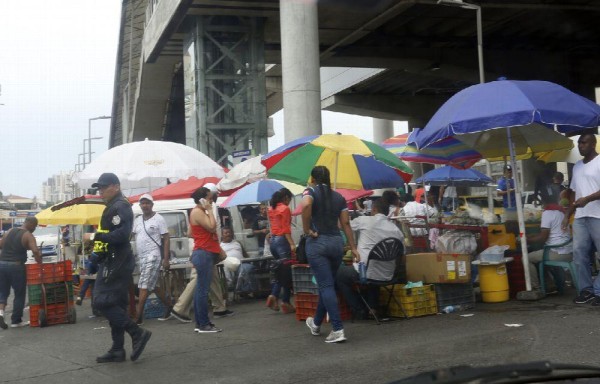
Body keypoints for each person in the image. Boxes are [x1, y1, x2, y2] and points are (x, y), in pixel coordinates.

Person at [89, 172, 151, 363]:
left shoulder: (120, 206)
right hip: (114, 260)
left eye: (103, 187)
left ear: (115, 186)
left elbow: (122, 235)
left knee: (100, 301)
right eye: (99, 188)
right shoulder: (113, 206)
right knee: (115, 303)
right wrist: (97, 255)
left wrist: (94, 237)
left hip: (118, 261)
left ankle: (136, 332)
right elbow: (111, 234)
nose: (100, 191)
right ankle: (117, 349)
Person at [302, 166, 359, 343]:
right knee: (328, 285)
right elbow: (346, 223)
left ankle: (337, 329)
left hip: (318, 242)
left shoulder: (310, 191)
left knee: (326, 286)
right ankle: (316, 323)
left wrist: (307, 230)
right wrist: (354, 247)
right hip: (336, 243)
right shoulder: (339, 197)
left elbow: (306, 205)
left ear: (313, 178)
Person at [336, 199, 403, 320]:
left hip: (365, 273)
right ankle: (373, 308)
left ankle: (359, 308)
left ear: (374, 209)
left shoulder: (365, 221)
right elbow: (402, 253)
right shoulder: (396, 230)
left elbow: (342, 225)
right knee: (373, 270)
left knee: (338, 273)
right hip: (388, 275)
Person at [561, 134, 600, 305]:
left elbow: (586, 196)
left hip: (598, 215)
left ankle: (598, 290)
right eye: (579, 143)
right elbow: (575, 194)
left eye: (583, 142)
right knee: (579, 253)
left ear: (593, 144)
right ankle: (586, 290)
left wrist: (588, 199)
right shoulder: (576, 166)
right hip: (581, 216)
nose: (580, 146)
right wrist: (567, 213)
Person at [131, 193, 171, 324]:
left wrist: (166, 259)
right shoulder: (137, 220)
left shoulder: (159, 219)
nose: (145, 205)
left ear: (152, 205)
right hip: (141, 257)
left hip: (153, 255)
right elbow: (130, 236)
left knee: (143, 285)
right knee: (153, 286)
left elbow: (166, 239)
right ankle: (171, 306)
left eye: (147, 203)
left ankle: (138, 317)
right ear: (140, 205)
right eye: (143, 203)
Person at [189, 186, 223, 332]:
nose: (211, 201)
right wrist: (209, 210)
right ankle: (203, 323)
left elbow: (190, 232)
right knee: (203, 291)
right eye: (209, 198)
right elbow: (211, 227)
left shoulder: (197, 212)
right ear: (202, 199)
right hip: (204, 252)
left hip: (203, 251)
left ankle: (201, 323)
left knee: (201, 290)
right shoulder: (198, 211)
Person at [0, 217, 42, 329]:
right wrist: (39, 261)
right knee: (19, 294)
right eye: (35, 226)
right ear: (31, 224)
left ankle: (1, 313)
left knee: (3, 292)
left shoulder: (9, 231)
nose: (35, 228)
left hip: (2, 264)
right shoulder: (28, 235)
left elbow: (1, 245)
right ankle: (16, 321)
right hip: (16, 266)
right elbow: (35, 251)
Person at [526, 196, 572, 295]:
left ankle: (536, 288)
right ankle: (552, 285)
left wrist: (527, 240)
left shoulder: (547, 213)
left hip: (557, 253)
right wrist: (534, 236)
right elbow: (552, 232)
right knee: (539, 256)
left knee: (527, 259)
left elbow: (543, 238)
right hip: (568, 251)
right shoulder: (561, 212)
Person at [266, 188, 296, 314]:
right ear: (286, 198)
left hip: (273, 242)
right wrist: (292, 244)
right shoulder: (285, 208)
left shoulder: (271, 208)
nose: (289, 202)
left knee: (280, 272)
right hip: (282, 242)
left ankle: (276, 297)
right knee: (286, 273)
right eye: (289, 199)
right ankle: (284, 301)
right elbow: (286, 229)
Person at [220, 227, 254, 293]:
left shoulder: (237, 243)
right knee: (226, 270)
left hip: (240, 264)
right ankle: (231, 287)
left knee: (246, 268)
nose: (228, 234)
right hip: (228, 267)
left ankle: (244, 291)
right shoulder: (220, 246)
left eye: (229, 232)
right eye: (226, 233)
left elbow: (245, 255)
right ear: (222, 235)